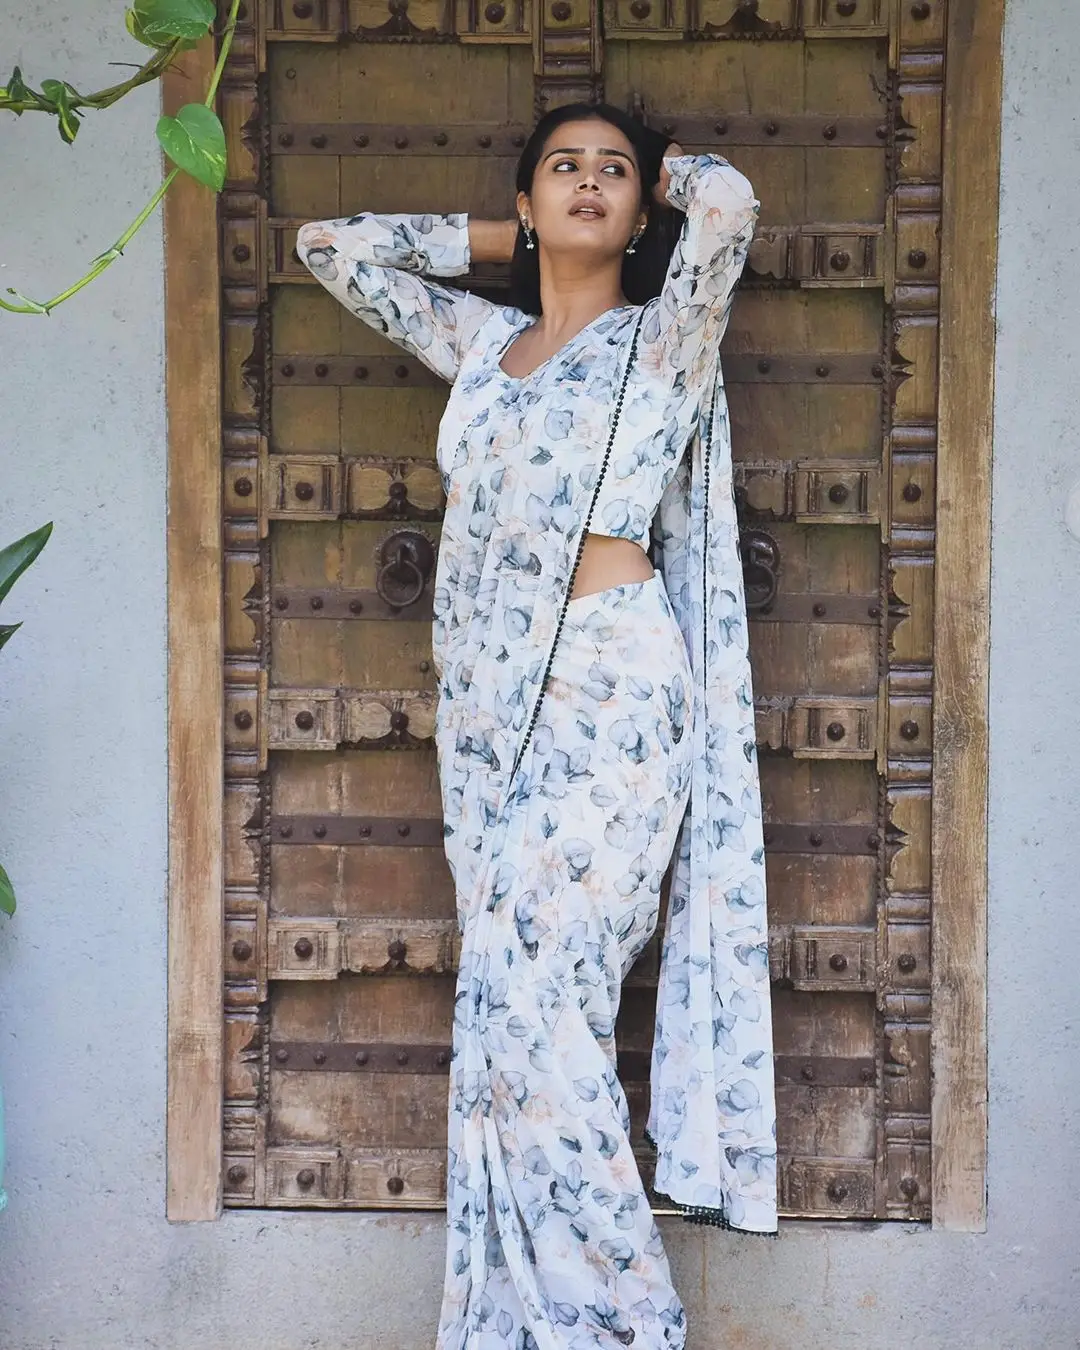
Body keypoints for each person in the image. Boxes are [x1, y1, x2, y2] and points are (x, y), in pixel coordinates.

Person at [297, 100, 778, 1350]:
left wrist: (665, 170)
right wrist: (502, 244)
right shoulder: (483, 347)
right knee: (509, 1011)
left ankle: (629, 1328)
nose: (587, 182)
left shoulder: (663, 339)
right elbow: (328, 246)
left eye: (610, 173)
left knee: (540, 1001)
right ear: (523, 202)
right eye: (561, 167)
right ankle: (528, 1326)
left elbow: (728, 209)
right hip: (493, 712)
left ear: (639, 209)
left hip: (616, 700)